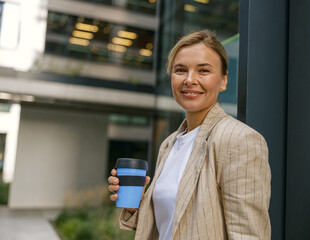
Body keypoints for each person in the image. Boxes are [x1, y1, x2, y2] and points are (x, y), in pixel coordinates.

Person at [108, 30, 271, 240]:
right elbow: (172, 227)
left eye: (203, 71)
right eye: (180, 70)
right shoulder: (170, 144)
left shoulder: (239, 139)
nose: (189, 80)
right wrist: (137, 205)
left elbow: (249, 234)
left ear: (223, 80)